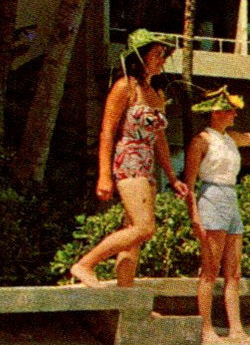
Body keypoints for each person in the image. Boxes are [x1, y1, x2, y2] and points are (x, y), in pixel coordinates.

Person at [70, 30, 190, 287]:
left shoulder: (156, 94)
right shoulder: (125, 87)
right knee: (145, 228)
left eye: (164, 55)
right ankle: (85, 263)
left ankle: (126, 296)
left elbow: (160, 139)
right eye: (157, 54)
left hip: (147, 166)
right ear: (140, 56)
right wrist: (103, 175)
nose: (162, 60)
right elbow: (107, 132)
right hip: (129, 159)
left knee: (132, 234)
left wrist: (171, 176)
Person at [184, 86, 250, 345]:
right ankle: (206, 328)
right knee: (210, 270)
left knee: (234, 272)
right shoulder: (201, 140)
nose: (234, 114)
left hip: (231, 198)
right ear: (217, 112)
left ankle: (236, 327)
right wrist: (195, 215)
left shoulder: (230, 138)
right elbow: (188, 182)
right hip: (211, 198)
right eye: (230, 110)